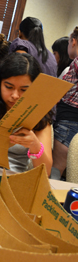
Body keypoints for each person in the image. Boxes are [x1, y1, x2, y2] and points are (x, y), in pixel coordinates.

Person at [52, 27, 78, 179]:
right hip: (71, 121)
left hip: (68, 122)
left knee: (55, 171)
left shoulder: (76, 61)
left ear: (73, 41)